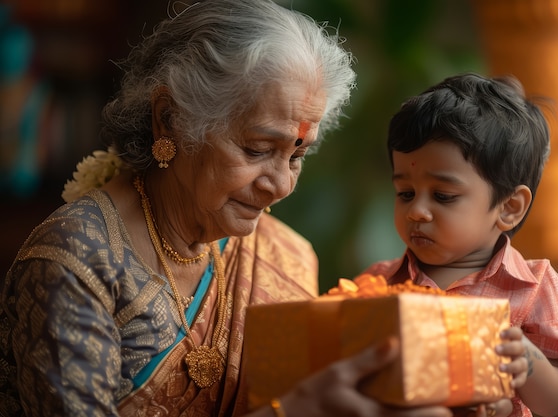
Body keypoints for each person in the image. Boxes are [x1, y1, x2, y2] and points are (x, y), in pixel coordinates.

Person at [0, 1, 462, 416]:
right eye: (258, 148)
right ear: (171, 118)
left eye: (297, 156)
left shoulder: (285, 256)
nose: (281, 185)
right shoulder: (77, 261)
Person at [362, 73, 558, 417]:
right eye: (405, 193)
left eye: (443, 196)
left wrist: (526, 362)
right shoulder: (378, 285)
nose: (417, 211)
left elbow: (555, 402)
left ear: (508, 207)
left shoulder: (535, 288)